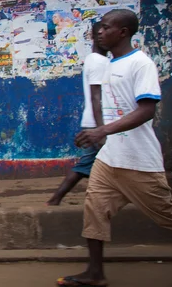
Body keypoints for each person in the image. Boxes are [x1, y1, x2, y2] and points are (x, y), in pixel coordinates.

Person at [57, 9, 172, 286]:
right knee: (95, 209)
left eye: (105, 28)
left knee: (170, 218)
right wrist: (95, 134)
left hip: (138, 162)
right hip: (109, 159)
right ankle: (95, 273)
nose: (99, 32)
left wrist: (102, 130)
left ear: (123, 32)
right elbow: (110, 108)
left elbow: (146, 110)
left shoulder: (140, 64)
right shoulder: (109, 65)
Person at [47, 21, 109, 206]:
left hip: (96, 122)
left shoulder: (93, 59)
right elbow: (96, 98)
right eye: (101, 32)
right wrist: (102, 129)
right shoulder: (99, 62)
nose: (103, 35)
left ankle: (57, 199)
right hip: (98, 122)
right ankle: (55, 199)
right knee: (90, 164)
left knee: (92, 164)